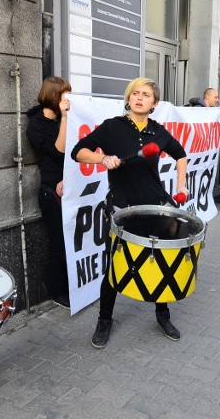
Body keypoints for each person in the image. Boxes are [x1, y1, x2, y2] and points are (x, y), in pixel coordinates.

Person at [70, 78, 189, 349]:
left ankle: (162, 314)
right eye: (135, 93)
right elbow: (79, 151)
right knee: (114, 267)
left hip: (156, 207)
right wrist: (102, 158)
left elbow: (180, 154)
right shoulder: (113, 127)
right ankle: (104, 320)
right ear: (129, 98)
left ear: (154, 104)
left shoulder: (158, 132)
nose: (139, 97)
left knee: (162, 263)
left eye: (146, 95)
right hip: (122, 208)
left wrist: (181, 184)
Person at [26, 77, 72, 309]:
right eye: (65, 95)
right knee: (59, 243)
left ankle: (70, 284)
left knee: (71, 241)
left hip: (69, 187)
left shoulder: (65, 119)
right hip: (50, 191)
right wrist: (64, 118)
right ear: (54, 96)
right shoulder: (37, 124)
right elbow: (60, 151)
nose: (69, 100)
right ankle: (56, 290)